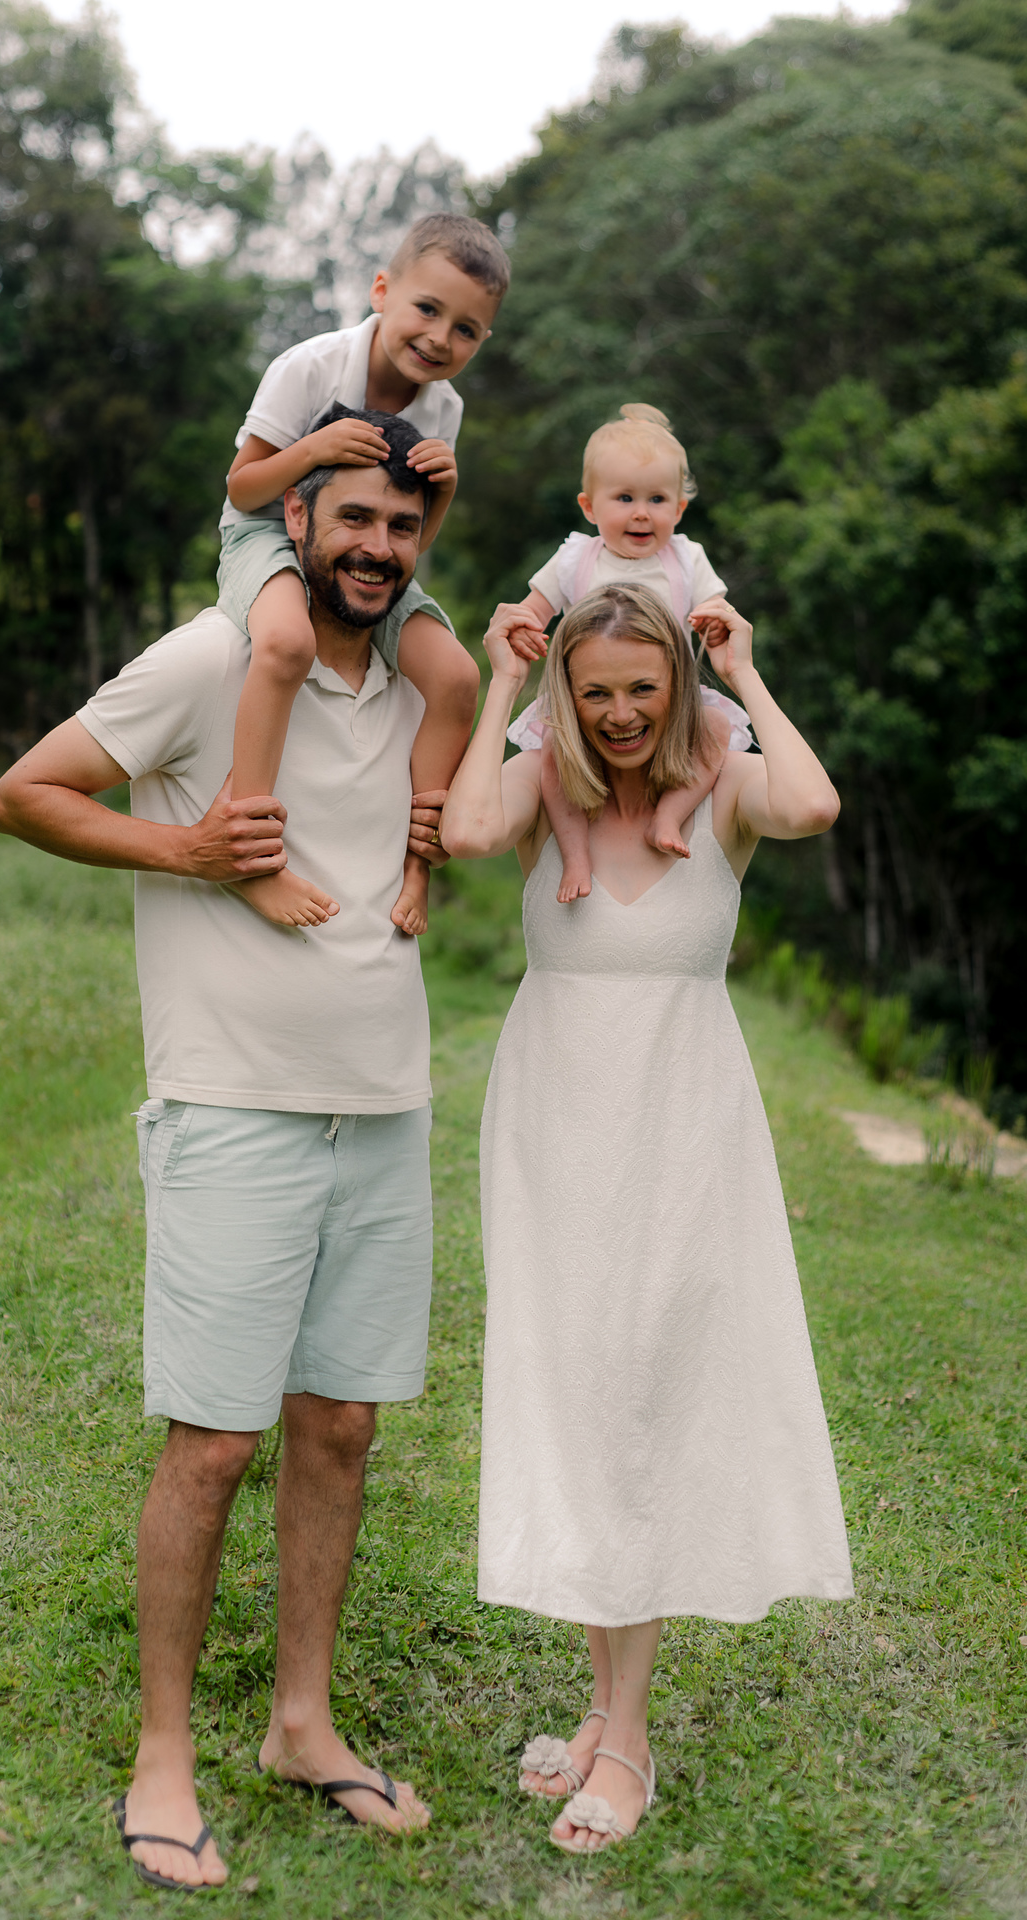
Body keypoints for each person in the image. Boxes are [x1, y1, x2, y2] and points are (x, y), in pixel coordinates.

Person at [0, 414, 452, 1889]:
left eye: (401, 528)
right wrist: (185, 849)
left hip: (384, 1102)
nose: (376, 548)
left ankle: (302, 1725)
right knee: (214, 1444)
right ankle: (164, 1755)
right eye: (353, 520)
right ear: (295, 523)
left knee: (343, 1427)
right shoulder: (211, 658)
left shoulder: (414, 681)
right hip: (233, 1104)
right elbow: (26, 793)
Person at [440, 582, 854, 1855]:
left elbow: (814, 805)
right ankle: (600, 1708)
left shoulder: (723, 788)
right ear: (569, 694)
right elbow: (465, 829)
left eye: (643, 687)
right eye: (597, 691)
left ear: (678, 685)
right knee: (580, 1403)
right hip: (556, 1136)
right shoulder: (540, 792)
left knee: (649, 1407)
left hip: (682, 1140)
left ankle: (626, 1740)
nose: (621, 713)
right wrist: (505, 685)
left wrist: (747, 671)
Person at [218, 211, 508, 935]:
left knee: (456, 677)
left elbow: (411, 544)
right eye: (427, 309)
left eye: (466, 329)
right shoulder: (310, 366)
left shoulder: (445, 407)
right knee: (286, 643)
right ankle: (249, 853)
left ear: (482, 340)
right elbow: (243, 489)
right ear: (382, 291)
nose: (439, 338)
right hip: (266, 533)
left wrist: (444, 491)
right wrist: (313, 451)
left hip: (365, 554)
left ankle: (417, 864)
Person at [501, 403, 752, 902]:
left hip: (670, 703)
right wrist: (521, 629)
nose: (641, 512)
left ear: (679, 510)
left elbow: (716, 608)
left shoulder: (686, 558)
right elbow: (532, 609)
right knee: (552, 753)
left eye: (657, 499)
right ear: (589, 507)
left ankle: (668, 815)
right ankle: (575, 854)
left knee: (717, 730)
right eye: (624, 498)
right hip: (587, 704)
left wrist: (714, 621)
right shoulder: (576, 558)